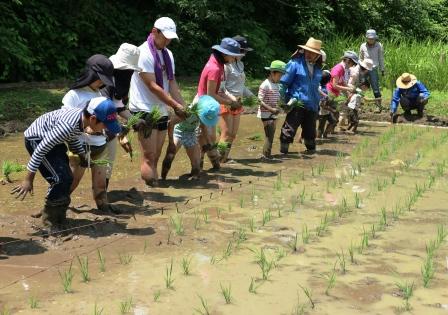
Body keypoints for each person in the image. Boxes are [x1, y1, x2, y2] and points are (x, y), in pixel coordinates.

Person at [12, 98, 121, 230]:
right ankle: (49, 223)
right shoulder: (68, 126)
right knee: (60, 179)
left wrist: (83, 156)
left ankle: (59, 218)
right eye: (105, 125)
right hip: (36, 139)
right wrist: (28, 179)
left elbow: (72, 138)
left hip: (53, 140)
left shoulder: (81, 120)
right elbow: (41, 149)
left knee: (67, 177)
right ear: (92, 119)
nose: (105, 129)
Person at [129, 17, 187, 187]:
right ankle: (153, 191)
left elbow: (172, 82)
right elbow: (152, 85)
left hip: (161, 108)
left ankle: (152, 185)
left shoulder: (168, 54)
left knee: (157, 153)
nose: (168, 41)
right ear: (155, 32)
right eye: (165, 37)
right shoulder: (143, 53)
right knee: (149, 154)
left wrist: (183, 105)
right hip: (143, 108)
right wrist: (175, 106)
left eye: (170, 38)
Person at [60, 55, 122, 214]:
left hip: (100, 145)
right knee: (71, 182)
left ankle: (104, 207)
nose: (102, 83)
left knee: (100, 184)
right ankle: (55, 209)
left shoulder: (99, 95)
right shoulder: (74, 95)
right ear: (91, 74)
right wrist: (85, 129)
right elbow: (64, 122)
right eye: (100, 79)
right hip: (79, 146)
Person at [196, 37, 244, 170]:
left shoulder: (220, 65)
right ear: (224, 53)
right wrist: (229, 102)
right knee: (204, 137)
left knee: (209, 137)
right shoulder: (214, 68)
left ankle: (213, 166)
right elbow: (211, 94)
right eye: (232, 56)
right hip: (204, 104)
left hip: (211, 105)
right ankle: (198, 166)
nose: (233, 59)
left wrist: (233, 100)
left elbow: (221, 90)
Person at [102, 43, 142, 189]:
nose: (128, 73)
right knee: (84, 164)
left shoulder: (121, 80)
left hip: (109, 129)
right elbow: (103, 110)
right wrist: (120, 129)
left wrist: (135, 120)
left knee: (107, 165)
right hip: (93, 126)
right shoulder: (105, 80)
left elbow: (119, 107)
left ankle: (102, 196)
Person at [279, 37, 323, 154]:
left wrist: (320, 101)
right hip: (296, 103)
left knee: (310, 134)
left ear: (317, 55)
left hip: (312, 105)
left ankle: (311, 154)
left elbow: (315, 87)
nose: (309, 54)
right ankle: (283, 154)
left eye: (313, 53)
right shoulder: (294, 64)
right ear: (303, 50)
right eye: (308, 51)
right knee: (288, 131)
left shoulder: (318, 69)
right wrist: (282, 101)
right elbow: (283, 84)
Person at [161, 95, 220, 180]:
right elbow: (171, 124)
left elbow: (203, 128)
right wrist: (171, 143)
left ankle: (193, 178)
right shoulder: (188, 113)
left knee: (196, 166)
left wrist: (208, 143)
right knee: (170, 155)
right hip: (179, 132)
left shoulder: (204, 115)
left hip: (190, 134)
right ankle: (163, 178)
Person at [218, 35, 255, 163]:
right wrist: (232, 99)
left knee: (232, 135)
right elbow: (222, 88)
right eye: (243, 51)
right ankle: (217, 160)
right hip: (227, 102)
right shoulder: (226, 66)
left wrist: (251, 95)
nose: (244, 54)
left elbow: (241, 86)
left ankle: (225, 158)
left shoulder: (240, 64)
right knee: (225, 134)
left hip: (237, 103)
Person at [257, 60, 285, 160]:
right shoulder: (265, 85)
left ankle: (267, 154)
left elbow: (277, 98)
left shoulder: (276, 85)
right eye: (279, 75)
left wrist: (278, 107)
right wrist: (271, 109)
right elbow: (259, 101)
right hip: (266, 114)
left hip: (273, 113)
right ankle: (265, 156)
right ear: (272, 73)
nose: (280, 78)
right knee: (269, 135)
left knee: (272, 134)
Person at [326, 51, 358, 130]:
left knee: (335, 114)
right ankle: (325, 132)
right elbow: (335, 85)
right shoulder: (338, 69)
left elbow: (342, 81)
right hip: (330, 92)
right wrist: (349, 89)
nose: (353, 65)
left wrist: (348, 89)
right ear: (347, 60)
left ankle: (330, 131)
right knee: (331, 114)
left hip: (335, 93)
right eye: (352, 63)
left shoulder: (343, 69)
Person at [360, 29, 385, 112]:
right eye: (369, 38)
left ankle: (378, 106)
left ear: (375, 38)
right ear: (366, 38)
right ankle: (358, 104)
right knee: (361, 85)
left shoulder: (379, 45)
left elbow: (381, 58)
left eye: (372, 38)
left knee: (375, 87)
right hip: (364, 68)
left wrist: (382, 69)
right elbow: (361, 58)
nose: (371, 40)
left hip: (374, 68)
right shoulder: (363, 46)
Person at [317, 70, 338, 138]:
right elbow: (322, 104)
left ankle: (325, 134)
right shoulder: (323, 90)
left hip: (325, 111)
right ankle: (319, 137)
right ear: (328, 80)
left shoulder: (319, 87)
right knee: (321, 127)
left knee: (333, 121)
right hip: (322, 112)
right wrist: (331, 109)